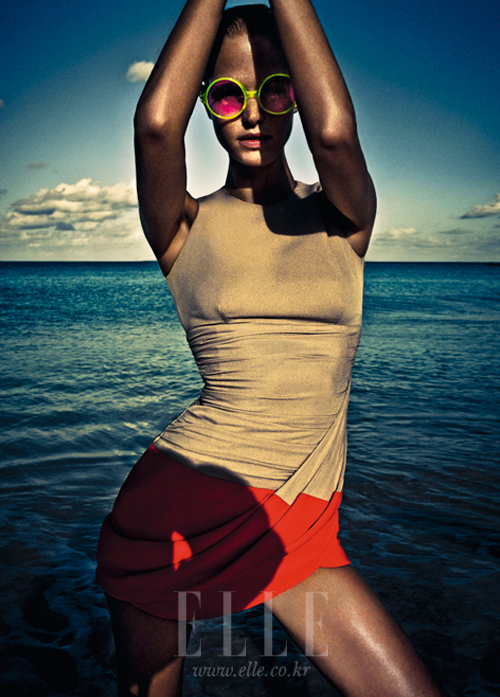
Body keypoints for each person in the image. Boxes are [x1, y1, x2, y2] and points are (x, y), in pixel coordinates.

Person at [95, 1, 448, 695]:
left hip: (300, 517)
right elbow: (156, 125)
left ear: (299, 96)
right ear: (207, 104)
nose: (254, 113)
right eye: (229, 95)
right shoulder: (182, 226)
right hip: (171, 513)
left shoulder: (341, 215)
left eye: (277, 90)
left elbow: (335, 135)